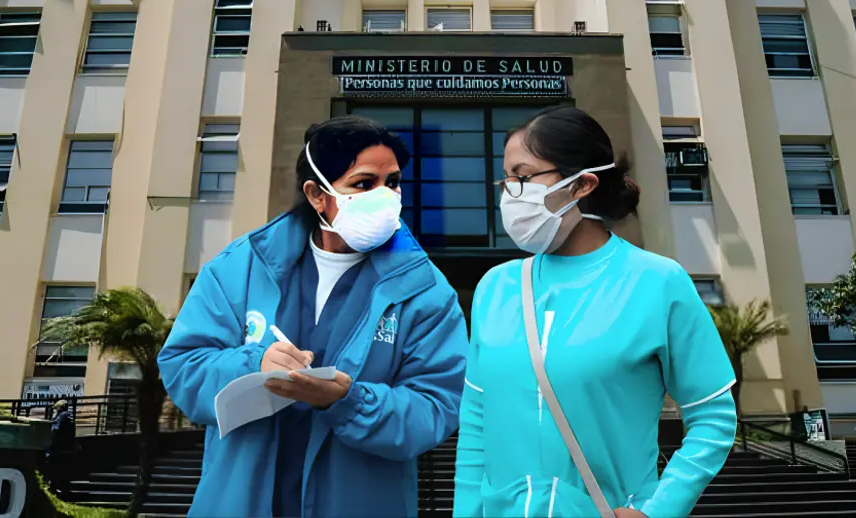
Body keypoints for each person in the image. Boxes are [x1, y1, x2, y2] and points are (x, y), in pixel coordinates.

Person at [158, 116, 468, 518]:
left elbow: (436, 405)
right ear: (317, 195)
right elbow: (183, 365)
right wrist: (253, 365)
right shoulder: (241, 268)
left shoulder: (425, 291)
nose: (385, 196)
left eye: (392, 182)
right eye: (363, 184)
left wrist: (349, 402)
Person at [454, 107, 737, 518]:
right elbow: (476, 424)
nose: (510, 194)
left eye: (523, 178)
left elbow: (713, 414)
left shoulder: (657, 282)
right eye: (506, 180)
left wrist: (659, 510)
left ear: (582, 185)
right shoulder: (495, 288)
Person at [45, 400, 76, 495]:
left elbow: (56, 429)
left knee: (55, 468)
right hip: (68, 447)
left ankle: (54, 487)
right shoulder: (69, 416)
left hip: (59, 448)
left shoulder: (62, 416)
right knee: (64, 470)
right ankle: (65, 488)